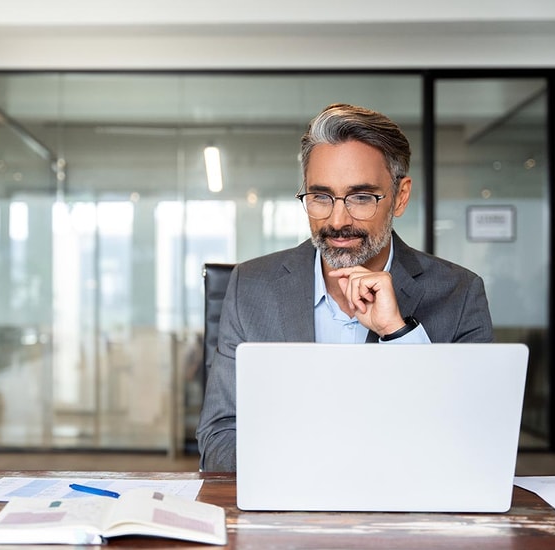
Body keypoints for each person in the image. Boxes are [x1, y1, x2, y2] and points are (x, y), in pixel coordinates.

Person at [196, 103, 493, 472]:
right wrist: (321, 471)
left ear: (400, 196)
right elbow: (219, 439)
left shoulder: (460, 294)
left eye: (361, 197)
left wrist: (396, 333)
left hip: (403, 517)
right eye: (321, 197)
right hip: (286, 514)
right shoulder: (250, 288)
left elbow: (477, 446)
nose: (338, 220)